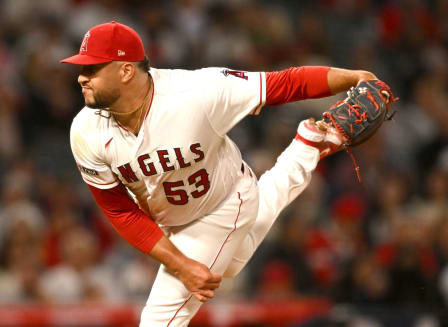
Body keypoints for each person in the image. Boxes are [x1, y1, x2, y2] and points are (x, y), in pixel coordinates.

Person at [61, 21, 384, 327]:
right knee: (230, 263)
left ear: (126, 70)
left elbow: (284, 83)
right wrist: (179, 261)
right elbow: (119, 210)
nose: (81, 77)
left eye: (92, 68)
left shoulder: (197, 92)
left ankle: (305, 149)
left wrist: (355, 76)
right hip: (175, 216)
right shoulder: (86, 131)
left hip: (224, 204)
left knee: (160, 319)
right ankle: (307, 147)